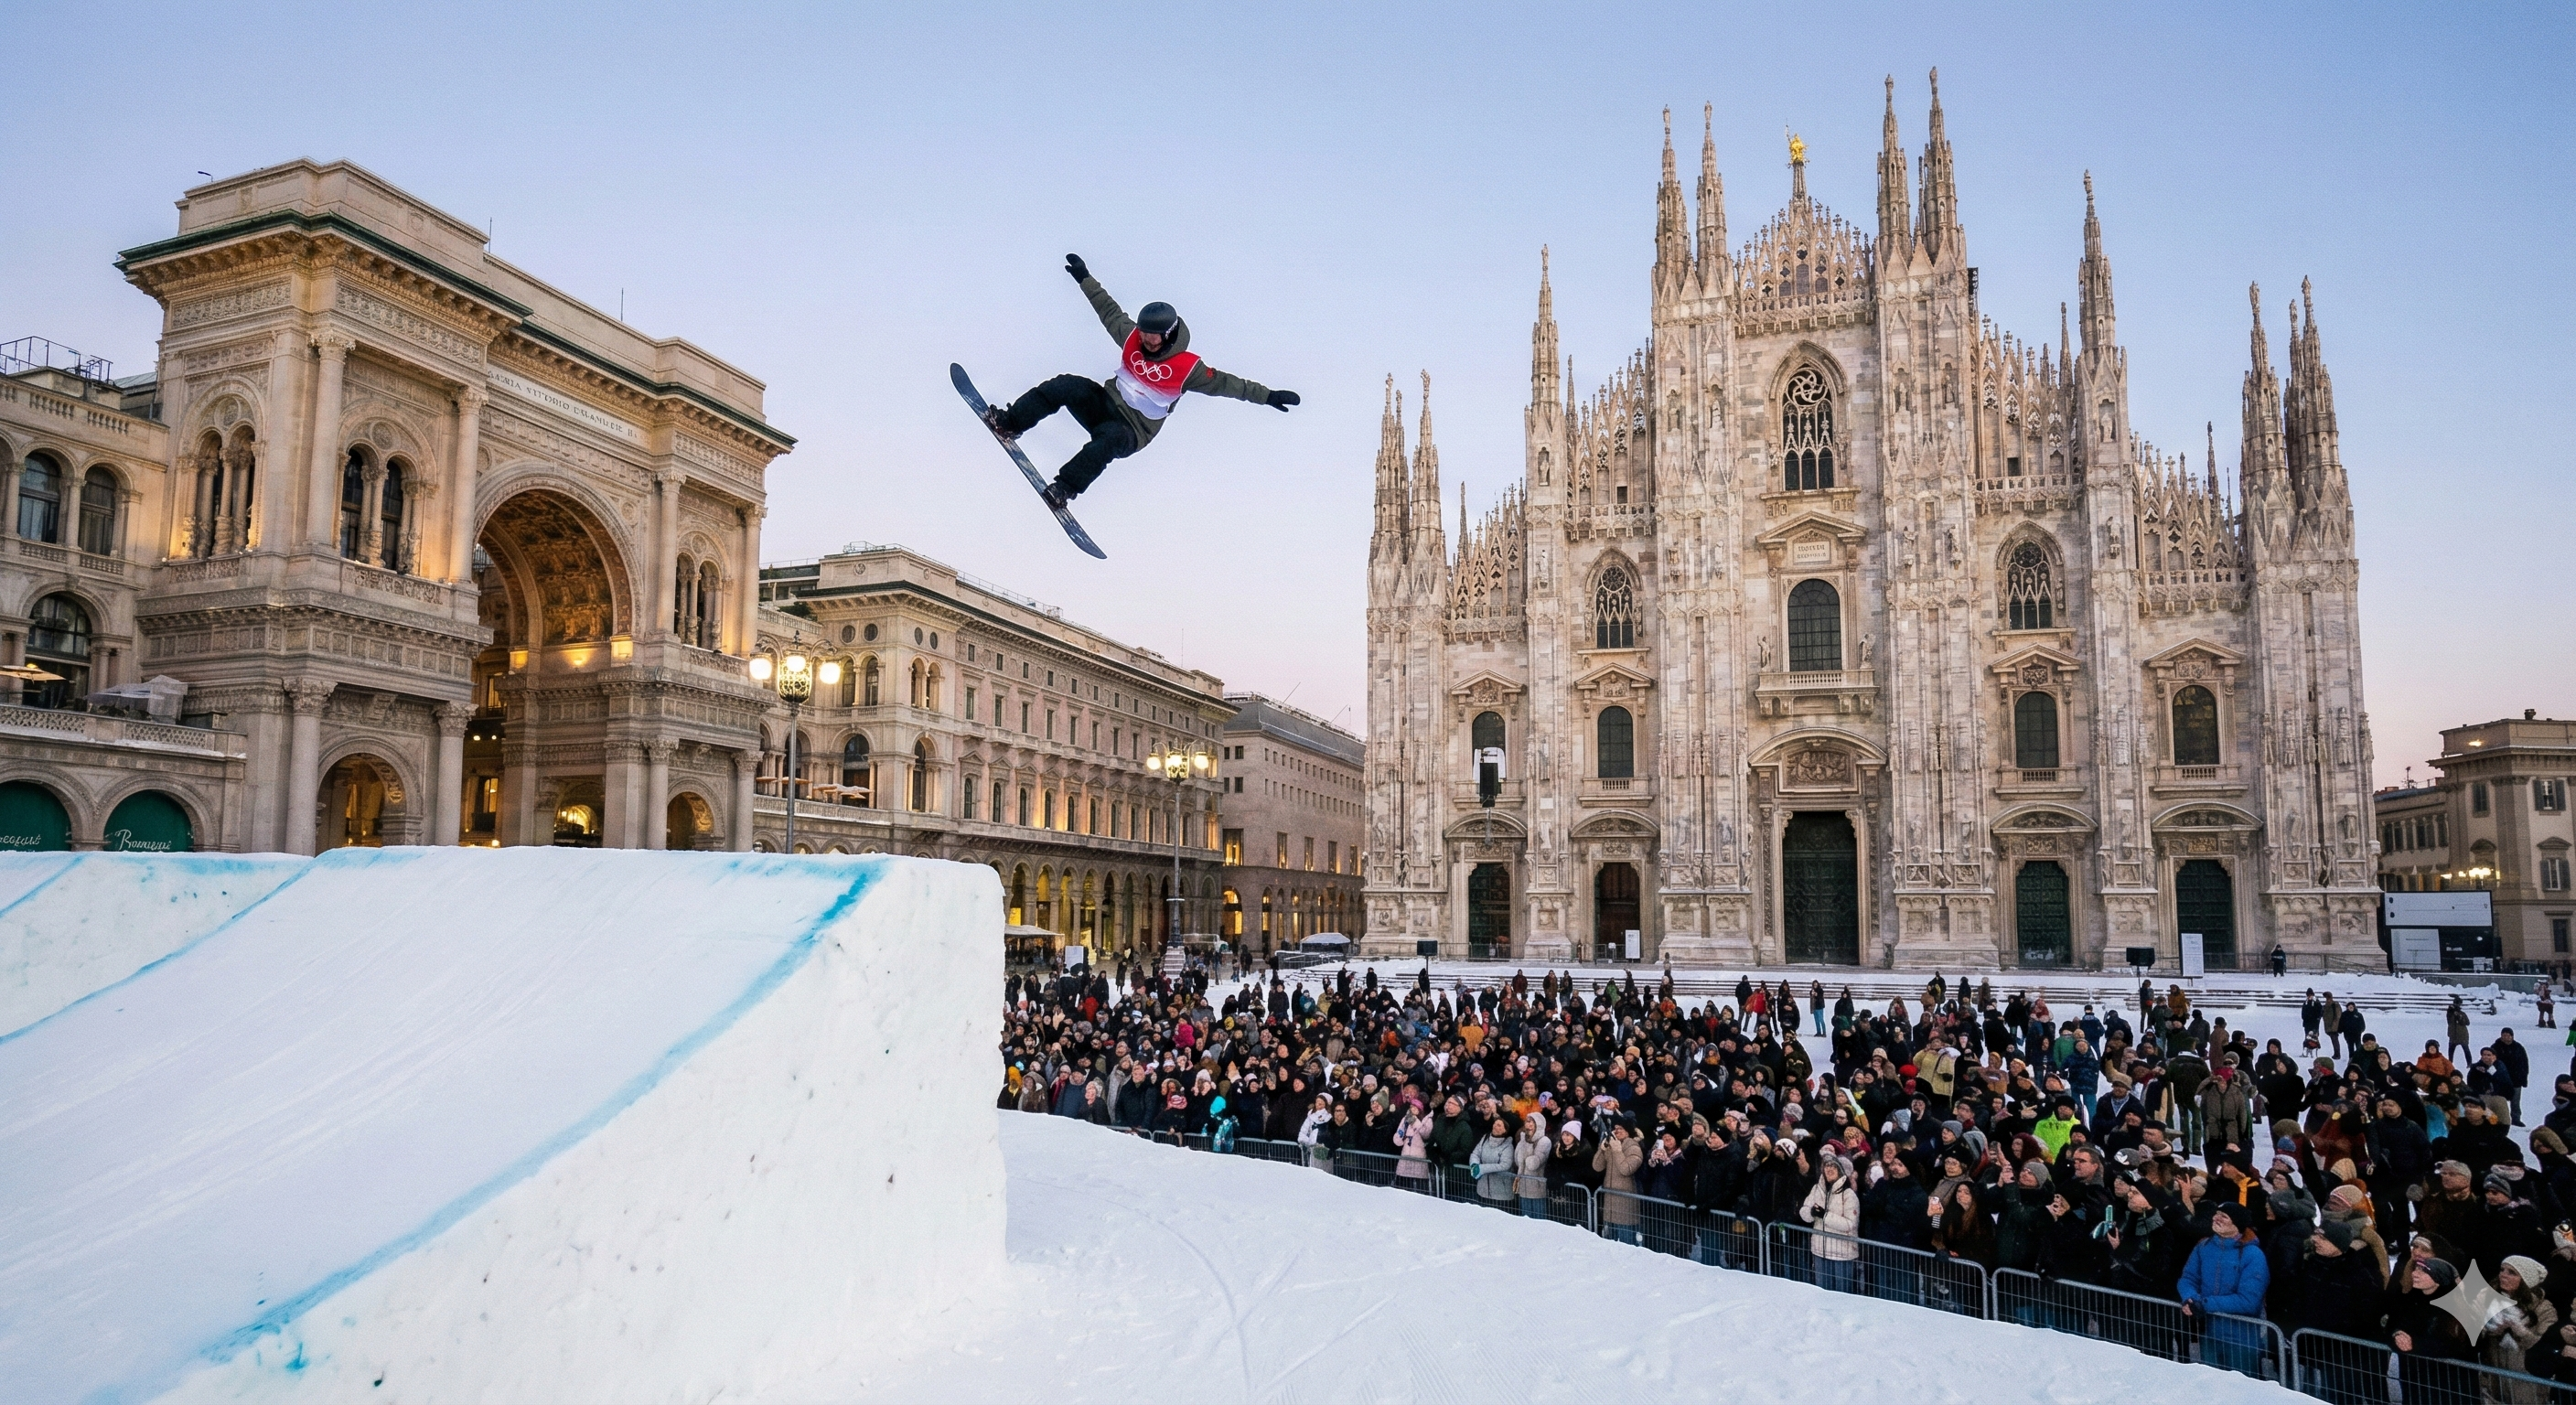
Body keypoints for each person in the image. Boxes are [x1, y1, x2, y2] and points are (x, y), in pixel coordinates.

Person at [982, 254, 1299, 510]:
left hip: (1133, 430)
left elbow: (1232, 385)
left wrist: (1269, 396)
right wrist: (1084, 278)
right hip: (1104, 402)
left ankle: (1064, 489)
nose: (1146, 340)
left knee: (1107, 439)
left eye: (1153, 336)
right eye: (1144, 333)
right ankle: (1011, 422)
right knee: (1067, 385)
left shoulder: (1189, 369)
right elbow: (1108, 310)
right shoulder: (1133, 337)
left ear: (1169, 334)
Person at [2177, 1203, 2272, 1377]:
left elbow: (2248, 1301)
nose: (2216, 1218)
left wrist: (2204, 1304)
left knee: (2243, 1387)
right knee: (2212, 1384)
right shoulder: (2204, 1247)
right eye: (2217, 1213)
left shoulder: (2253, 1255)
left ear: (2237, 1224)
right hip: (2209, 1332)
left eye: (2224, 1216)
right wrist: (2189, 1298)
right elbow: (2188, 1278)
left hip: (2241, 1337)